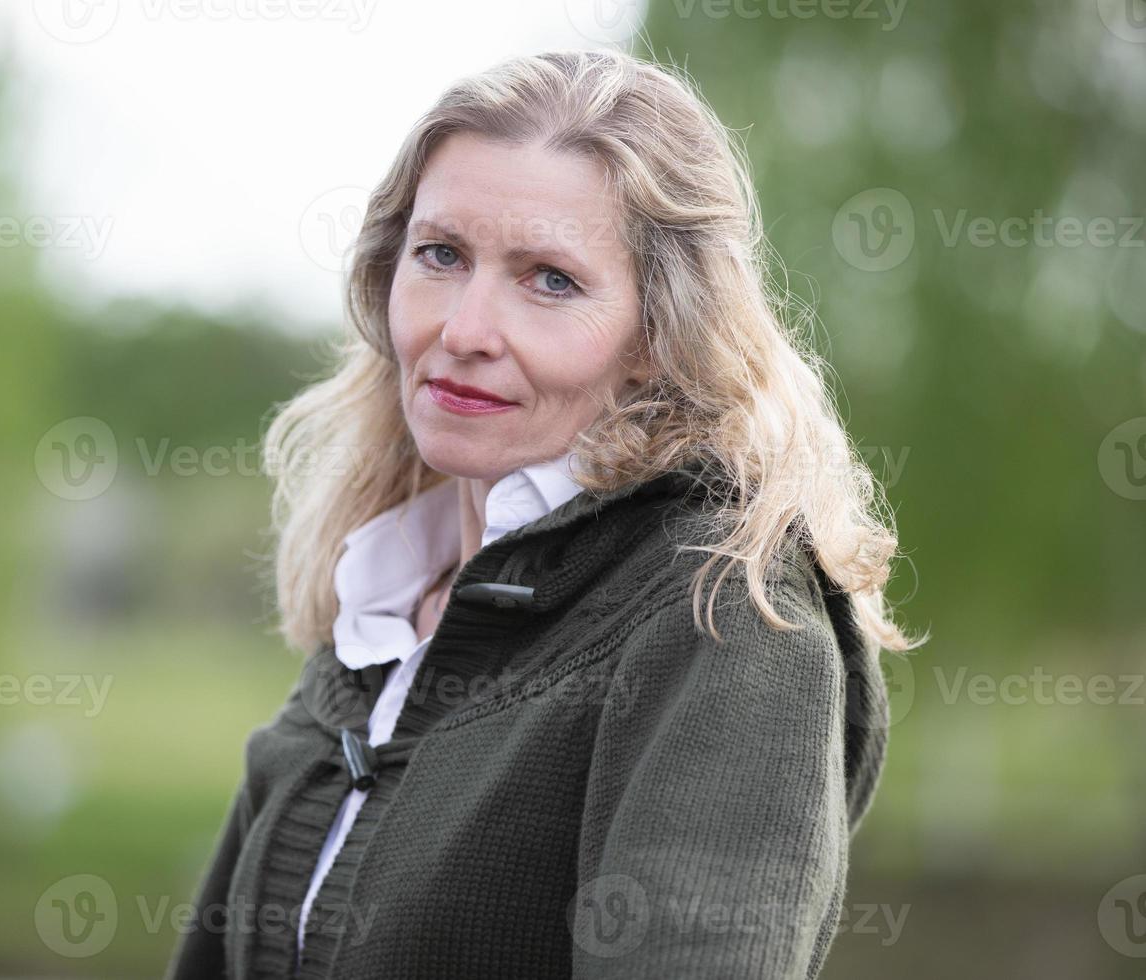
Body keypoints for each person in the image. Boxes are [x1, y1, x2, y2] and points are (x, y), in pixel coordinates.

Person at [166, 48, 922, 980]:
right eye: (440, 255)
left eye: (549, 280)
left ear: (659, 333)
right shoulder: (387, 593)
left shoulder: (725, 615)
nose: (466, 331)